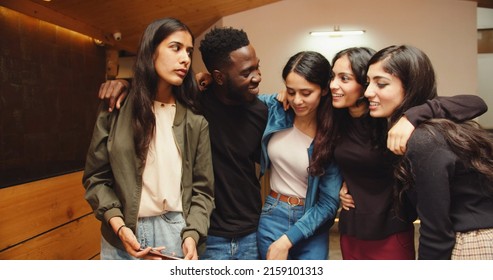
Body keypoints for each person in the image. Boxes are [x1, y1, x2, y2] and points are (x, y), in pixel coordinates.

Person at [97, 27, 267, 260]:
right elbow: (97, 178)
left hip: (244, 230)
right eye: (247, 72)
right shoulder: (195, 104)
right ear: (218, 77)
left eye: (188, 51)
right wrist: (123, 84)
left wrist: (288, 94)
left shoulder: (261, 110)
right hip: (206, 232)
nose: (257, 76)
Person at [330, 47, 488, 259]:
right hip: (355, 226)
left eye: (381, 83)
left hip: (465, 241)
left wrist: (412, 116)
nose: (369, 92)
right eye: (369, 82)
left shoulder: (418, 135)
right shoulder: (337, 118)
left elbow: (435, 232)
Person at [82, 17, 215, 260]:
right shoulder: (116, 109)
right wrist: (119, 225)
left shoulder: (195, 121)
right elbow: (96, 178)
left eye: (188, 51)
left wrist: (192, 234)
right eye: (175, 47)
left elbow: (203, 191)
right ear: (150, 51)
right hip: (120, 234)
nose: (185, 58)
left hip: (175, 233)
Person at [256, 51, 342, 260]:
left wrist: (288, 240)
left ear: (323, 90)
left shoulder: (333, 132)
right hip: (272, 215)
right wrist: (205, 82)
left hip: (312, 222)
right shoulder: (276, 108)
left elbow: (329, 203)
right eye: (291, 91)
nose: (297, 100)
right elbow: (239, 99)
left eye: (306, 92)